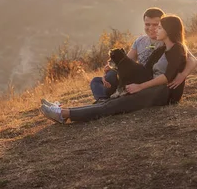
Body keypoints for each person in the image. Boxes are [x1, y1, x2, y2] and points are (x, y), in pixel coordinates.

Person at [40, 14, 189, 124]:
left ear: (169, 30)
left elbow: (168, 77)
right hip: (154, 88)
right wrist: (117, 70)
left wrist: (140, 86)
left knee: (112, 106)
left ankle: (64, 114)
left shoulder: (177, 49)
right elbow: (146, 71)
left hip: (165, 94)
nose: (156, 30)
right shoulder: (160, 50)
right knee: (112, 101)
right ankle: (62, 111)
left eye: (160, 27)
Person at [90, 7, 197, 102]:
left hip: (148, 79)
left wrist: (182, 75)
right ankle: (103, 99)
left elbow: (193, 60)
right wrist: (107, 72)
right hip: (135, 76)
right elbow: (125, 63)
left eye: (156, 25)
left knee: (111, 82)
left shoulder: (168, 41)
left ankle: (108, 99)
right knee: (98, 80)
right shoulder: (140, 41)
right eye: (147, 24)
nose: (151, 28)